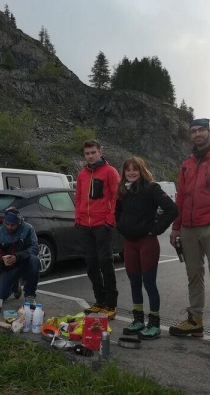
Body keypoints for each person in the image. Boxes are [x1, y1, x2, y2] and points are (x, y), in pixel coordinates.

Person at [168, 118, 210, 348]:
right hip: (188, 228)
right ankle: (195, 321)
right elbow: (181, 197)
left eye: (201, 130)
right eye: (193, 131)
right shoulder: (187, 164)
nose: (197, 134)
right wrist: (176, 227)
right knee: (193, 276)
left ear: (208, 133)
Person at [116, 156, 178, 340]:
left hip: (147, 242)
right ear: (124, 172)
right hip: (129, 243)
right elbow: (117, 213)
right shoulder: (123, 190)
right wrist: (121, 227)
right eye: (128, 170)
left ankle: (154, 324)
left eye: (135, 169)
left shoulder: (152, 188)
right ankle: (138, 320)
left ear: (141, 170)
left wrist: (156, 229)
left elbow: (172, 209)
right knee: (134, 282)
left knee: (149, 283)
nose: (131, 173)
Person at [75, 139, 121, 320]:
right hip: (84, 226)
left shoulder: (110, 172)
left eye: (93, 152)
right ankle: (99, 301)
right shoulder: (82, 174)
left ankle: (111, 304)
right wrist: (77, 220)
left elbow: (117, 198)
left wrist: (110, 221)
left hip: (102, 225)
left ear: (100, 152)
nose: (90, 156)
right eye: (87, 153)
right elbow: (78, 198)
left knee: (105, 263)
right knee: (91, 265)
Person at [0, 208, 40, 303]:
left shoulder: (28, 229)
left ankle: (30, 295)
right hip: (9, 267)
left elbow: (35, 248)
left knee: (35, 260)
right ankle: (15, 286)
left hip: (25, 263)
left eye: (13, 225)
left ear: (19, 223)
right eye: (7, 224)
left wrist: (17, 257)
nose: (9, 227)